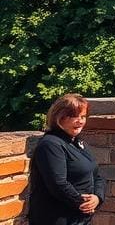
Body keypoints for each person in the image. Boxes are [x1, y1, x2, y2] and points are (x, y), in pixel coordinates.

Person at [28, 93, 105, 225]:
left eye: (83, 116)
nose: (80, 121)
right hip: (57, 218)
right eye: (74, 116)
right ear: (59, 118)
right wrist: (84, 204)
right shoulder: (51, 144)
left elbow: (97, 175)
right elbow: (58, 184)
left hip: (79, 218)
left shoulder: (78, 143)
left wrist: (98, 198)